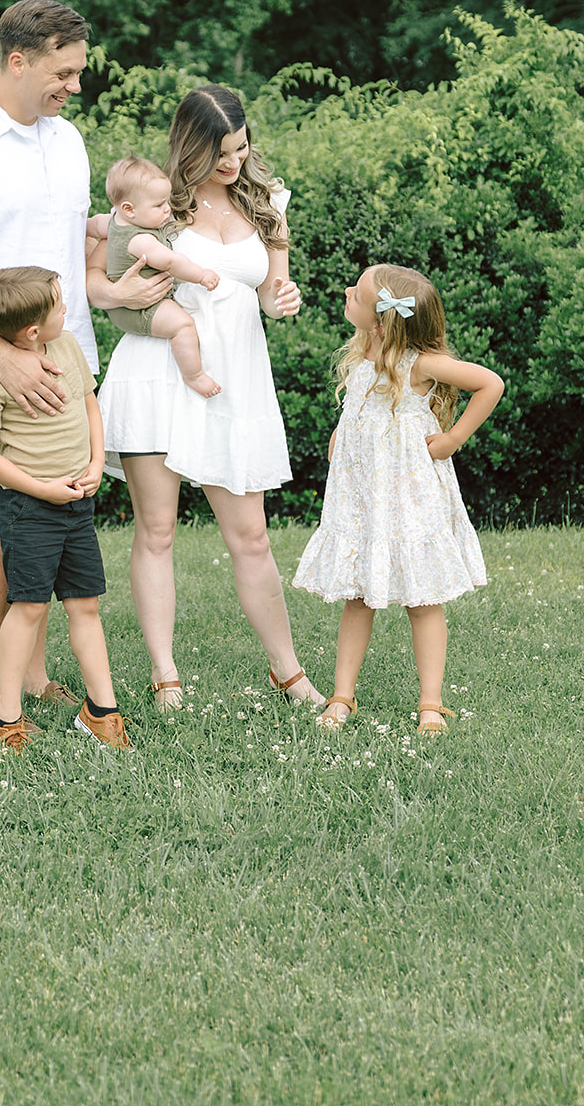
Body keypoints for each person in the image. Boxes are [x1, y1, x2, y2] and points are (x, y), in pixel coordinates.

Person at [0, 0, 167, 722]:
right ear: (18, 60)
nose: (74, 87)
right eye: (64, 71)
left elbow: (64, 247)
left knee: (52, 521)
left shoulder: (66, 140)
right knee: (0, 517)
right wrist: (1, 357)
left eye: (77, 73)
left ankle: (34, 670)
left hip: (57, 361)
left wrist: (116, 284)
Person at [93, 85, 325, 712]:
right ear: (189, 147)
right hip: (157, 372)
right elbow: (90, 272)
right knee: (158, 529)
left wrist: (282, 301)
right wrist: (119, 296)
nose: (233, 162)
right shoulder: (156, 201)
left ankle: (289, 671)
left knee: (250, 534)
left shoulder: (268, 204)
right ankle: (165, 675)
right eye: (219, 152)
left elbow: (274, 291)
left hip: (234, 380)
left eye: (240, 148)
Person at [293, 264, 504, 732]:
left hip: (409, 497)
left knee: (423, 598)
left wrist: (451, 440)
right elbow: (362, 409)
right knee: (358, 595)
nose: (348, 291)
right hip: (364, 495)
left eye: (358, 292)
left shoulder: (419, 363)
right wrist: (341, 434)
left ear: (384, 318)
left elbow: (491, 384)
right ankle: (342, 694)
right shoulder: (364, 352)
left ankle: (431, 702)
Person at [0, 267, 129, 750]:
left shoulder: (67, 347)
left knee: (85, 604)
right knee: (30, 606)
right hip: (29, 508)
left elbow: (89, 405)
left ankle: (102, 712)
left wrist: (97, 462)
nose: (68, 310)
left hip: (77, 501)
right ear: (32, 330)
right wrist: (41, 488)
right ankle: (6, 715)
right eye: (60, 305)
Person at [100, 155, 221, 398]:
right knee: (183, 325)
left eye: (166, 201)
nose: (167, 209)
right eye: (158, 205)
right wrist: (201, 275)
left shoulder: (113, 221)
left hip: (128, 305)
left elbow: (91, 225)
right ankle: (194, 375)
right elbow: (171, 261)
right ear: (129, 209)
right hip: (140, 308)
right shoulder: (141, 240)